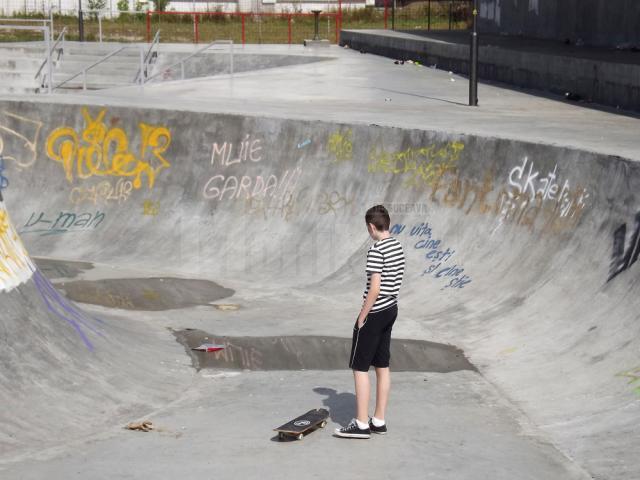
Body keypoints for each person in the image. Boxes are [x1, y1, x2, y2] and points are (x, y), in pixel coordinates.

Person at [335, 205, 405, 439]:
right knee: (382, 365)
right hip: (391, 309)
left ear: (371, 227)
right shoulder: (397, 246)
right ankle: (379, 420)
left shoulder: (376, 250)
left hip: (375, 312)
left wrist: (362, 316)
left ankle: (361, 424)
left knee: (360, 367)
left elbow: (374, 288)